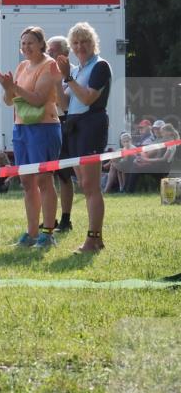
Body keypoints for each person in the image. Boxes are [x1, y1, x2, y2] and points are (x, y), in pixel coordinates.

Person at [0, 26, 62, 248]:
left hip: (44, 128)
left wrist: (14, 87)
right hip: (21, 128)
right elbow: (9, 101)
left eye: (31, 43)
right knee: (26, 182)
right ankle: (32, 232)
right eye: (23, 43)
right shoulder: (22, 66)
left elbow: (37, 99)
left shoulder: (49, 65)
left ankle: (48, 232)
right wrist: (8, 88)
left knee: (44, 180)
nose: (26, 47)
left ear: (41, 44)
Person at [56, 22, 112, 254]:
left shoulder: (100, 66)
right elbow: (65, 104)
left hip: (91, 125)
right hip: (74, 127)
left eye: (85, 42)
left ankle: (92, 239)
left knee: (90, 186)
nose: (80, 47)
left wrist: (68, 79)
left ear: (93, 43)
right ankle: (96, 240)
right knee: (85, 186)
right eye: (76, 43)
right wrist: (57, 79)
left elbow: (88, 98)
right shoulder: (76, 70)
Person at [47, 35, 76, 233]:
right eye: (48, 50)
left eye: (54, 51)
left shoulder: (73, 73)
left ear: (65, 54)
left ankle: (66, 219)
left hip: (65, 124)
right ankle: (50, 218)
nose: (49, 54)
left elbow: (65, 103)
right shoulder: (44, 71)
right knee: (47, 174)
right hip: (47, 124)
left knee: (64, 175)